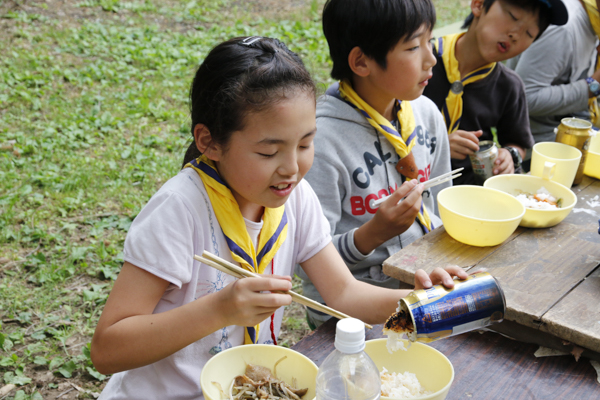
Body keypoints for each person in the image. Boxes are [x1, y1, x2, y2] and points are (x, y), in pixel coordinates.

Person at [90, 36, 467, 399]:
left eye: (305, 144)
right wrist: (220, 309)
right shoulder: (179, 210)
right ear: (209, 142)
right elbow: (108, 350)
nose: (292, 168)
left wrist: (419, 301)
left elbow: (343, 294)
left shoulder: (294, 198)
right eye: (269, 152)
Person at [300, 0, 453, 328]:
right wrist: (371, 235)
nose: (431, 58)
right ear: (361, 62)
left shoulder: (426, 114)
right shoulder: (319, 142)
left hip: (419, 278)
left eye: (430, 41)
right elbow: (306, 262)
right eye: (413, 46)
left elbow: (440, 209)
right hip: (349, 311)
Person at [423, 0, 568, 183]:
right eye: (513, 17)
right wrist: (437, 145)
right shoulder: (422, 62)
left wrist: (510, 155)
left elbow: (518, 143)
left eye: (529, 33)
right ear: (478, 5)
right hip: (411, 188)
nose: (515, 35)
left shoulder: (509, 86)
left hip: (471, 193)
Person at [506, 0, 599, 171]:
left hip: (580, 130)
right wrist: (592, 86)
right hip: (541, 150)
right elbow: (525, 98)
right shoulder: (563, 29)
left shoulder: (594, 22)